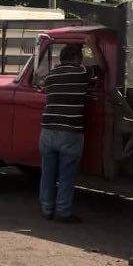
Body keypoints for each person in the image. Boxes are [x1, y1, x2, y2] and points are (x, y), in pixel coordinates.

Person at [38, 37, 99, 223]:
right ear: (75, 58)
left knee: (47, 173)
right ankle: (63, 212)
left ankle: (46, 209)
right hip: (69, 132)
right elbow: (101, 69)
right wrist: (94, 47)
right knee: (66, 174)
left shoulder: (50, 76)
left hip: (47, 131)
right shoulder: (81, 72)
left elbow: (43, 89)